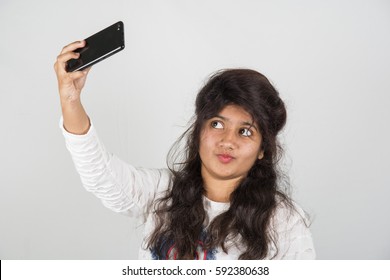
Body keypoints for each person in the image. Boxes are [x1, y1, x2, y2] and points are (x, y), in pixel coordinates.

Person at [54, 40, 315, 260]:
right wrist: (70, 99)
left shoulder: (285, 222)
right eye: (217, 124)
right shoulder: (161, 193)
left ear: (263, 149)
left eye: (245, 131)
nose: (227, 141)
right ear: (198, 131)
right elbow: (99, 175)